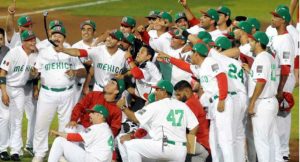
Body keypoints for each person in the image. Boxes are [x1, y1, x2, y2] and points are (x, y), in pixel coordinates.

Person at [158, 43, 234, 162]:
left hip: (220, 100)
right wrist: (168, 58)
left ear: (197, 54)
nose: (191, 55)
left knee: (225, 140)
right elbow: (185, 66)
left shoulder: (210, 61)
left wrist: (222, 99)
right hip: (213, 104)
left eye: (192, 53)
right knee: (215, 141)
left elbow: (222, 77)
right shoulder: (201, 67)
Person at [31, 26, 86, 162]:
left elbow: (83, 71)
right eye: (54, 35)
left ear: (64, 38)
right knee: (41, 125)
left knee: (66, 125)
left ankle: (62, 153)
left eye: (59, 35)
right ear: (50, 37)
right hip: (47, 93)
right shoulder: (43, 53)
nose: (56, 37)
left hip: (67, 94)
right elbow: (36, 72)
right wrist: (33, 74)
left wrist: (75, 72)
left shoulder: (70, 51)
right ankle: (40, 153)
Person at [117, 80, 199, 162]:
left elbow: (135, 118)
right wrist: (189, 145)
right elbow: (195, 126)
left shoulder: (156, 105)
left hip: (164, 147)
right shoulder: (182, 105)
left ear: (164, 92)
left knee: (130, 145)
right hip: (181, 151)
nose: (155, 92)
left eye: (157, 89)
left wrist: (123, 107)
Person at [0, 30, 38, 161]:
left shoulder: (35, 56)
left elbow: (33, 75)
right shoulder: (14, 53)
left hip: (20, 90)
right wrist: (4, 93)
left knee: (17, 120)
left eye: (34, 39)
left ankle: (15, 150)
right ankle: (2, 149)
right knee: (5, 118)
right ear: (23, 42)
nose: (33, 42)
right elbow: (2, 72)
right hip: (7, 88)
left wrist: (34, 75)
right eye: (30, 40)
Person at [245, 31, 280, 162]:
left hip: (262, 103)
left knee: (262, 142)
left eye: (252, 41)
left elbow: (261, 81)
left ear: (258, 43)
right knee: (269, 141)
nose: (250, 43)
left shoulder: (261, 58)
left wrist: (252, 103)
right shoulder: (269, 57)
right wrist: (250, 72)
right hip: (271, 101)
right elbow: (263, 77)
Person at [269, 7, 296, 161]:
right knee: (274, 118)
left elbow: (286, 67)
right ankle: (277, 152)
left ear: (283, 20)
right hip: (277, 80)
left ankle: (284, 154)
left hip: (284, 81)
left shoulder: (286, 40)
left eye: (276, 17)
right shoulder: (275, 37)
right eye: (273, 16)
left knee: (282, 117)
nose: (273, 19)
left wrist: (280, 90)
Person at [48, 105, 114, 162]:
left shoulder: (97, 128)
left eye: (92, 113)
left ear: (100, 115)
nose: (89, 114)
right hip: (98, 159)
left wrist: (58, 133)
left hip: (93, 160)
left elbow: (77, 137)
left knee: (59, 141)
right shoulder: (107, 130)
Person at [174, 80, 210, 162]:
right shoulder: (193, 99)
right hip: (200, 144)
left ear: (187, 91)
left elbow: (184, 127)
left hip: (200, 144)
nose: (177, 98)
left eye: (179, 95)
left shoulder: (190, 103)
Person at [72, 20, 97, 102]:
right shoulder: (75, 46)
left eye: (89, 29)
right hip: (78, 87)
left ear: (94, 32)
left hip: (96, 87)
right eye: (83, 29)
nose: (86, 32)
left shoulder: (100, 45)